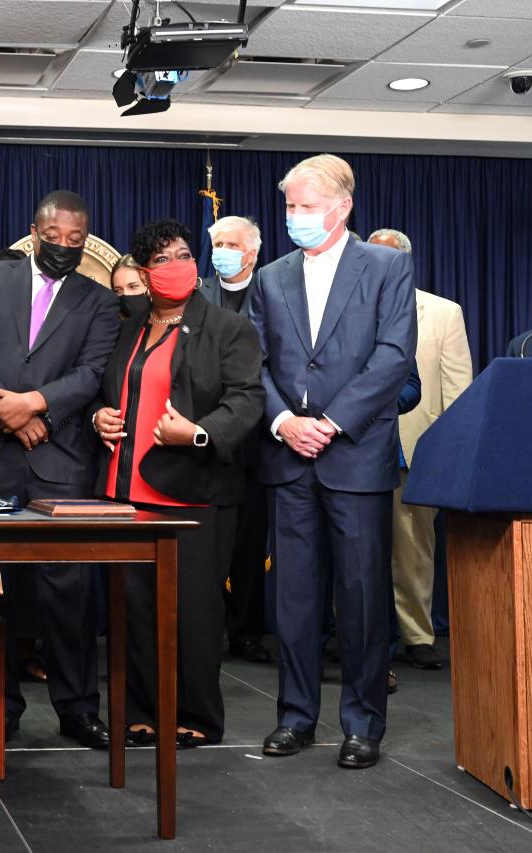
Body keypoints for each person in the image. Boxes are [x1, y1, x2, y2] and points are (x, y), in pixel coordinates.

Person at [249, 154, 416, 770]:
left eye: (307, 207)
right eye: (290, 207)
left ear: (343, 206)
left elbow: (395, 355)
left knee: (362, 597)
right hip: (289, 457)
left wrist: (332, 421)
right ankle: (295, 718)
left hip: (355, 456)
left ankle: (362, 723)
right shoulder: (271, 277)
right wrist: (284, 421)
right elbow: (255, 364)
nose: (296, 217)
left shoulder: (387, 266)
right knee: (292, 599)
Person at [0, 190, 122, 749]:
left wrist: (37, 403)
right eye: (54, 237)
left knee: (68, 595)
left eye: (75, 240)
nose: (64, 247)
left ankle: (77, 708)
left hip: (62, 459)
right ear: (34, 231)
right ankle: (4, 707)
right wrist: (10, 414)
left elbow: (93, 373)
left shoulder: (99, 300)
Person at [91, 219, 264, 747]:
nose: (178, 266)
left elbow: (247, 398)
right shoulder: (129, 326)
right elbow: (111, 390)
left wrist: (199, 433)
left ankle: (197, 716)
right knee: (135, 610)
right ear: (144, 273)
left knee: (194, 611)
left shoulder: (228, 328)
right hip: (127, 492)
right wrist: (98, 416)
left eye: (184, 254)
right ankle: (143, 710)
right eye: (163, 259)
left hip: (193, 495)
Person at [368, 228, 472, 671]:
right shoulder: (345, 307)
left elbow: (457, 389)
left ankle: (416, 634)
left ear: (404, 263)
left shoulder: (443, 312)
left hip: (412, 450)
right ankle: (352, 632)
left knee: (412, 548)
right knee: (353, 549)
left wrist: (450, 455)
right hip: (349, 448)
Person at [200, 215, 271, 664]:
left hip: (259, 439)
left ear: (252, 253)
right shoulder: (196, 293)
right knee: (209, 543)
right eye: (217, 243)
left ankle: (247, 630)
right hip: (206, 432)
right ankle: (208, 628)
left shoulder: (275, 291)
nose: (222, 249)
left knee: (250, 542)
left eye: (231, 243)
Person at [109, 254, 150, 319]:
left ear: (148, 285)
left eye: (132, 286)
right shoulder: (111, 325)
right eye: (118, 291)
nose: (126, 294)